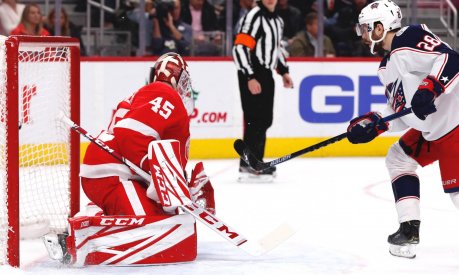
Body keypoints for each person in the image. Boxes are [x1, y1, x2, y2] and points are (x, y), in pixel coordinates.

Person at [346, 0, 459, 259]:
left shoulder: (409, 37)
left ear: (380, 28)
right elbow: (406, 111)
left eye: (366, 29)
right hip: (437, 125)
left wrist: (431, 87)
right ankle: (409, 229)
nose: (362, 35)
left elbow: (451, 59)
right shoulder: (386, 67)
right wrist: (375, 124)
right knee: (398, 158)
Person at [43, 53, 215, 266]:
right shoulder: (164, 93)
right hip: (115, 176)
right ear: (177, 79)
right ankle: (73, 240)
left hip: (111, 173)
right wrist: (155, 173)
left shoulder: (147, 94)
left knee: (165, 220)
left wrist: (178, 185)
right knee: (155, 228)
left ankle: (96, 213)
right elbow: (129, 134)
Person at [233, 0, 294, 182]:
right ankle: (249, 163)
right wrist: (250, 76)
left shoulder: (278, 21)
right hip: (252, 71)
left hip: (265, 73)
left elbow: (275, 50)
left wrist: (283, 72)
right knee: (254, 119)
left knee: (265, 119)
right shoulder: (254, 16)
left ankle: (255, 162)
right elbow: (240, 48)